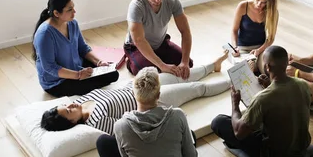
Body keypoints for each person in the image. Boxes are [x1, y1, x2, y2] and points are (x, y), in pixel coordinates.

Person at [41, 52, 229, 135]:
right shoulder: (96, 122)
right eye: (68, 111)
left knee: (182, 73)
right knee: (197, 89)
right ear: (72, 122)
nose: (70, 105)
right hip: (151, 99)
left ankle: (213, 65)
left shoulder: (82, 100)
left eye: (65, 105)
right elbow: (129, 126)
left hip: (140, 85)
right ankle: (231, 82)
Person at [96, 67, 198, 157]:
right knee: (189, 135)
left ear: (134, 94)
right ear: (159, 95)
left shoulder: (121, 126)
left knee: (103, 142)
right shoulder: (177, 116)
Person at [211, 46, 311, 157]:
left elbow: (239, 132)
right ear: (286, 64)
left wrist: (235, 103)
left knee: (219, 122)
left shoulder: (262, 99)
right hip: (302, 147)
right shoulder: (303, 84)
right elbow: (287, 103)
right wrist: (269, 85)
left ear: (267, 67)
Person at [33, 0, 119, 97]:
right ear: (56, 13)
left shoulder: (72, 23)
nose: (74, 12)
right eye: (69, 10)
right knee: (87, 85)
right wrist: (78, 75)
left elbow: (83, 48)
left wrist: (99, 62)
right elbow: (50, 67)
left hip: (76, 66)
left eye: (73, 8)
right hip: (57, 80)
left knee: (113, 74)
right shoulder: (45, 34)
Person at [124, 0, 193, 79]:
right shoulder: (136, 5)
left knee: (187, 65)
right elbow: (138, 40)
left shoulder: (173, 1)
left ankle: (158, 59)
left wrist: (184, 62)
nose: (157, 0)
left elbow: (185, 31)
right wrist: (162, 65)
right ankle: (131, 62)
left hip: (160, 43)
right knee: (149, 74)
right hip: (136, 46)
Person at [230, 0, 279, 73]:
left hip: (260, 48)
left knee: (268, 70)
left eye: (264, 2)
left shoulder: (272, 12)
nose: (259, 4)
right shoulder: (243, 6)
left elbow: (271, 38)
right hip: (242, 48)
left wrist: (259, 50)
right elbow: (234, 30)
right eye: (257, 0)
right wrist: (235, 47)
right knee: (245, 71)